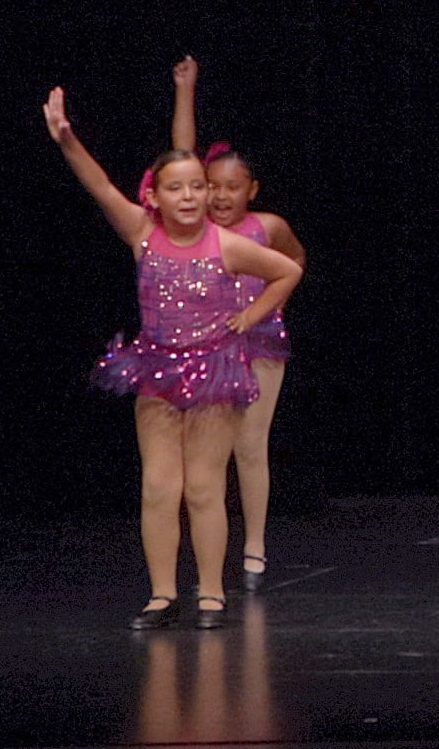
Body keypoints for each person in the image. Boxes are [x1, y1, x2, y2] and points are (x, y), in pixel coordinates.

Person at [46, 88, 299, 627]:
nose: (189, 197)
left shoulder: (226, 245)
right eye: (176, 188)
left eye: (197, 187)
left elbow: (287, 270)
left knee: (204, 488)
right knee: (161, 487)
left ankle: (211, 593)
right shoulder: (141, 233)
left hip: (214, 376)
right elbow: (98, 185)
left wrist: (251, 316)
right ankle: (162, 594)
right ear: (154, 196)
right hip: (158, 373)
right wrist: (67, 140)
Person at [169, 57, 307, 592]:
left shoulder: (267, 228)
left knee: (250, 444)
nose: (221, 196)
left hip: (260, 343)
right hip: (205, 345)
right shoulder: (200, 226)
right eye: (213, 186)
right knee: (207, 453)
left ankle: (254, 547)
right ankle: (208, 552)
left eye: (233, 187)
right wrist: (186, 90)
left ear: (251, 189)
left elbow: (295, 262)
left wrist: (270, 305)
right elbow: (182, 153)